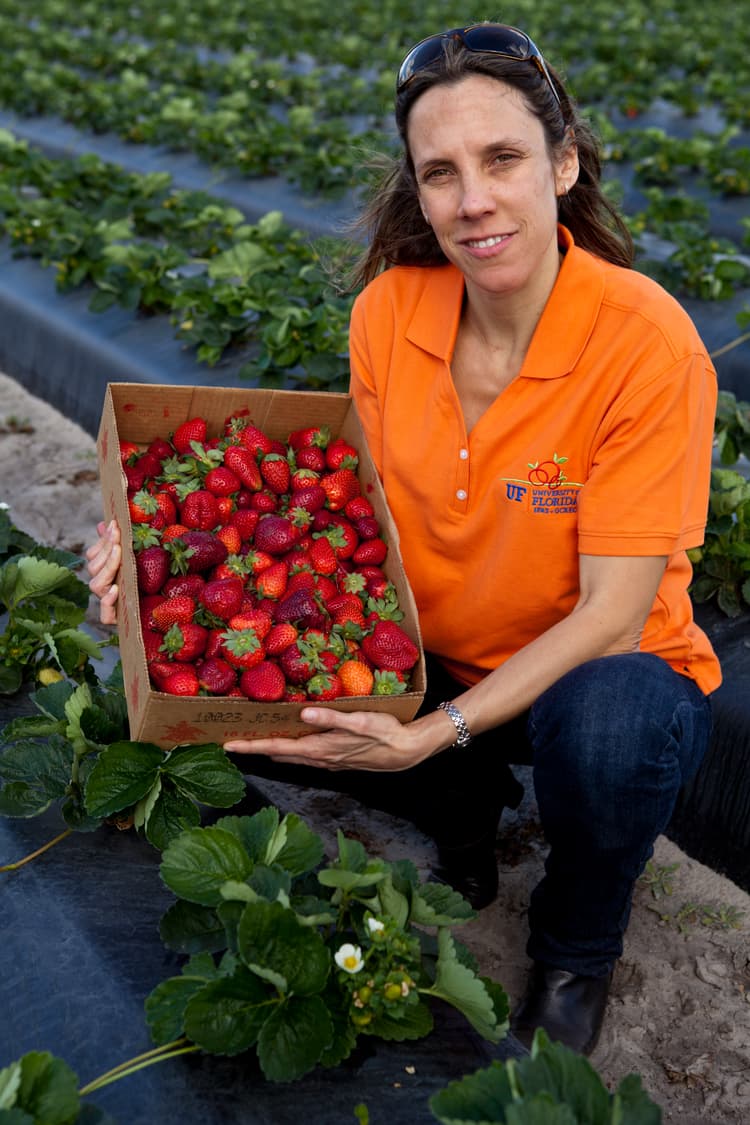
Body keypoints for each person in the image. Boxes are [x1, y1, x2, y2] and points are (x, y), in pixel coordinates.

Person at [86, 23, 721, 1057]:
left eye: (503, 158)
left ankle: (576, 942)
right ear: (418, 192)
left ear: (562, 163)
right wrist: (144, 534)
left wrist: (434, 728)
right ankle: (463, 817)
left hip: (593, 673)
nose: (473, 199)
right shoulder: (392, 312)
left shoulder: (645, 346)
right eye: (441, 172)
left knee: (614, 733)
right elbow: (335, 507)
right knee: (221, 670)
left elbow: (612, 614)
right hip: (429, 651)